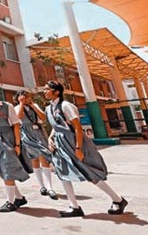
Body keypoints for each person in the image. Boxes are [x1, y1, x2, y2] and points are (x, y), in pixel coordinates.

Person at [43, 80, 127, 218]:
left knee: (89, 172)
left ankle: (118, 199)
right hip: (60, 144)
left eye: (47, 89)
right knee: (62, 172)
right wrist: (50, 138)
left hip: (72, 142)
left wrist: (78, 148)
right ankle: (73, 206)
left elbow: (77, 127)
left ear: (56, 91)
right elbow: (56, 126)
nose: (44, 91)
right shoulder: (49, 108)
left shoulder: (65, 106)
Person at [15, 90, 57, 199]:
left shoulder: (35, 105)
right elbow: (19, 117)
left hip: (38, 131)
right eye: (23, 96)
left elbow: (43, 117)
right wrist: (21, 104)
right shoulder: (17, 107)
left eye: (27, 96)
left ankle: (49, 187)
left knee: (44, 157)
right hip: (27, 134)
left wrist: (32, 105)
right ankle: (42, 186)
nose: (25, 98)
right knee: (34, 159)